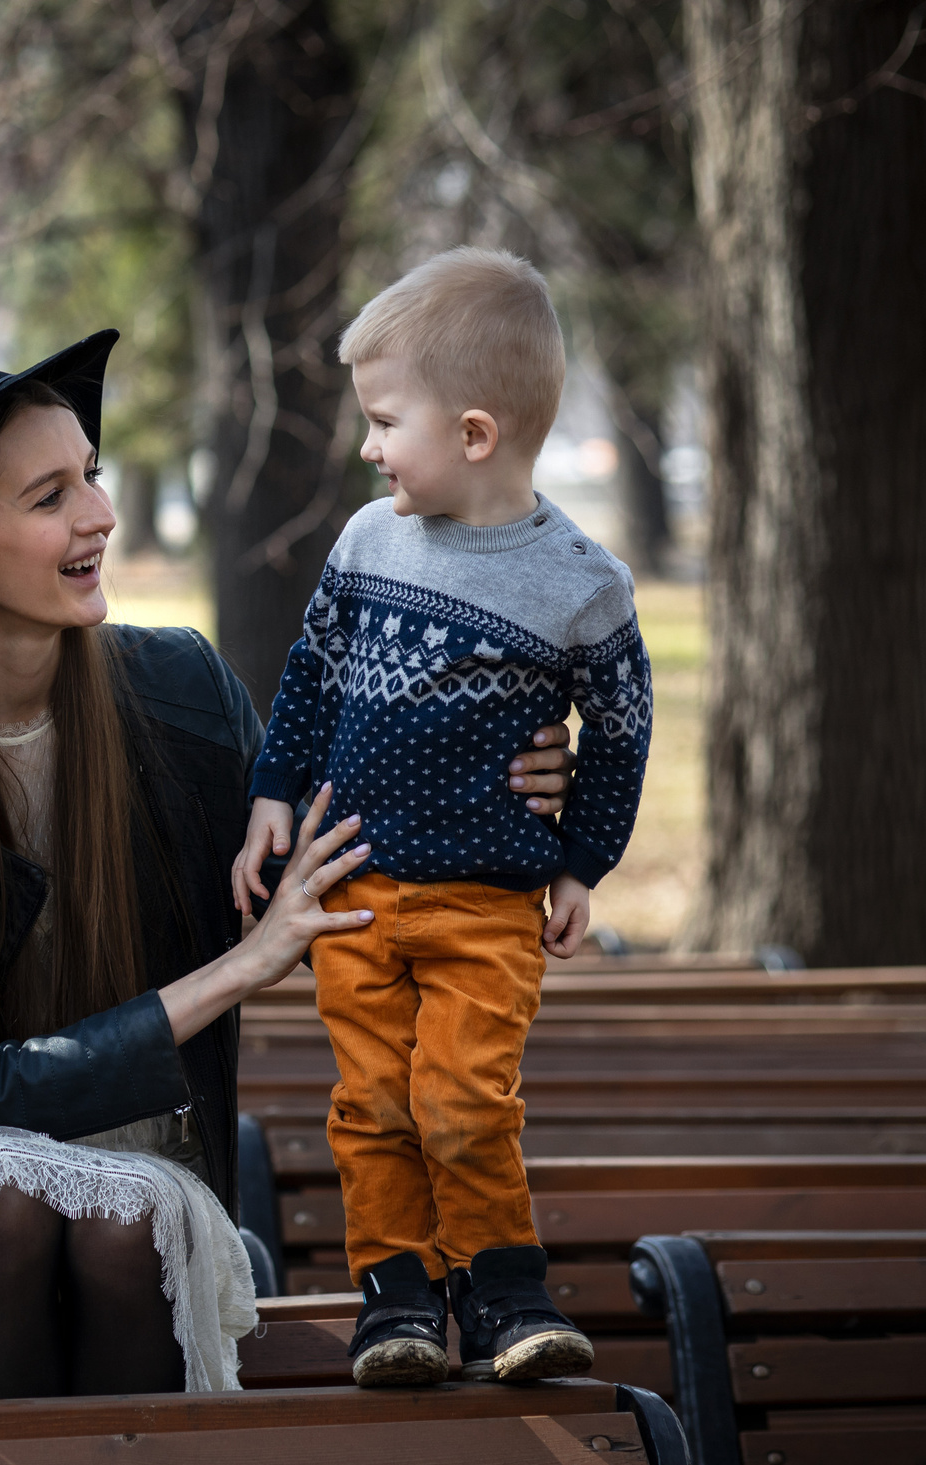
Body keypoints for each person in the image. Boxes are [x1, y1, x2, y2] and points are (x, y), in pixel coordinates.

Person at [0, 329, 579, 1404]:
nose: (98, 514)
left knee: (119, 1213)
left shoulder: (178, 690)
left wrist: (513, 765)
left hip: (138, 1173)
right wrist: (237, 970)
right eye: (48, 497)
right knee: (7, 1198)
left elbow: (355, 839)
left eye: (89, 476)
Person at [234, 248, 653, 1389]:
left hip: (485, 903)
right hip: (356, 892)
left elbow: (620, 724)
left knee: (464, 1100)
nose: (367, 447)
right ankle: (397, 1304)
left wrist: (582, 860)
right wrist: (272, 793)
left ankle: (506, 1294)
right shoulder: (368, 544)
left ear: (474, 433)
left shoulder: (579, 581)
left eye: (384, 421)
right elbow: (313, 675)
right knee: (370, 1105)